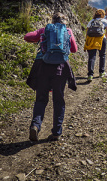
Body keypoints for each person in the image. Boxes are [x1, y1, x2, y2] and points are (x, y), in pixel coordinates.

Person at [24, 12, 78, 142]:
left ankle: (35, 125)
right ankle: (56, 133)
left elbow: (27, 37)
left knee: (41, 99)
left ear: (52, 20)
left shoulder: (45, 30)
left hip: (43, 68)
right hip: (60, 69)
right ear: (65, 21)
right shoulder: (68, 31)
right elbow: (74, 49)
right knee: (58, 101)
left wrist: (41, 38)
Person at [84, 9, 107, 81]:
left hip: (92, 39)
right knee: (102, 55)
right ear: (103, 14)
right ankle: (101, 72)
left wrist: (87, 40)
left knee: (92, 56)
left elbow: (87, 32)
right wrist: (106, 38)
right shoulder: (105, 21)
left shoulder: (91, 21)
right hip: (101, 39)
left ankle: (90, 75)